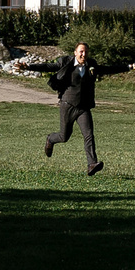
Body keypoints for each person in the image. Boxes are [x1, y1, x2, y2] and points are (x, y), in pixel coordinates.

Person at [43, 41, 104, 176]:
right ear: (75, 52)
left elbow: (109, 69)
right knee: (64, 137)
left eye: (86, 52)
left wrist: (129, 67)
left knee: (88, 135)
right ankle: (50, 139)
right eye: (81, 51)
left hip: (83, 107)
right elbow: (48, 66)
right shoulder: (66, 63)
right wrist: (27, 66)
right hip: (68, 105)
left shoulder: (91, 65)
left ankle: (91, 164)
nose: (84, 54)